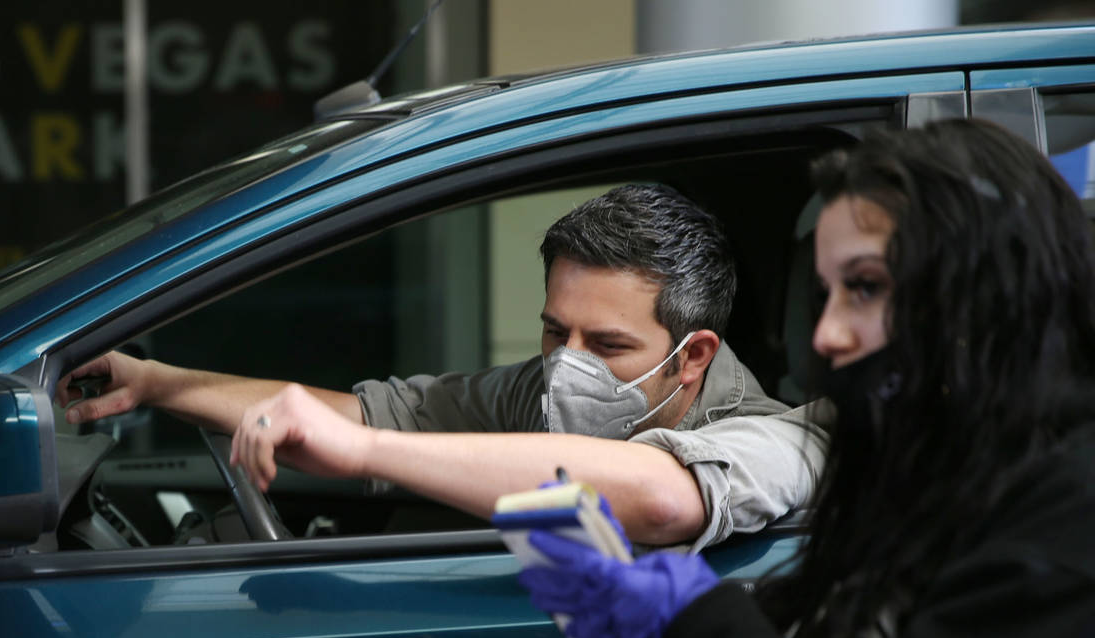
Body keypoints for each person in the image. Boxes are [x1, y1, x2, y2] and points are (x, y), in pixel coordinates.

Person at [516, 119, 1095, 638]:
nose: (825, 335)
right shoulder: (911, 489)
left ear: (985, 286)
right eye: (824, 293)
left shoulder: (1070, 526)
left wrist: (706, 625)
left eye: (864, 288)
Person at [60, 184, 827, 548]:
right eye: (555, 333)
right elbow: (379, 414)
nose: (569, 367)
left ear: (693, 357)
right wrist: (160, 383)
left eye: (609, 345)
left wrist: (368, 456)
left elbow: (662, 500)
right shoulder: (547, 389)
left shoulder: (785, 439)